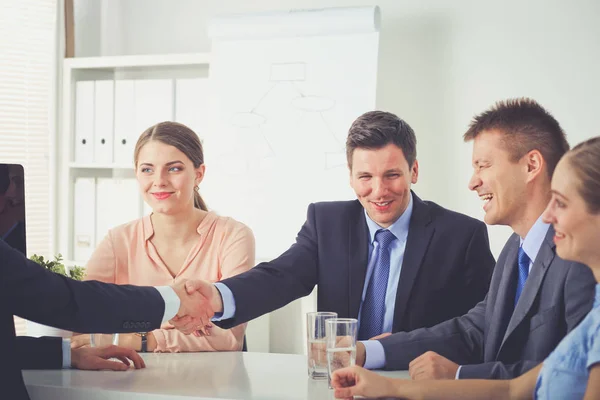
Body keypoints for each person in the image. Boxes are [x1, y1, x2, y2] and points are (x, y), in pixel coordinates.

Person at [176, 111, 496, 345]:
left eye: (392, 175)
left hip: (417, 385)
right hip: (342, 382)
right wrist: (217, 297)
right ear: (350, 176)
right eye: (365, 177)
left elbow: (483, 327)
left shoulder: (461, 236)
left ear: (414, 171)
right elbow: (279, 277)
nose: (379, 190)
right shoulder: (327, 223)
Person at [332, 136, 600, 400]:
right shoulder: (514, 250)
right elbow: (485, 344)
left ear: (531, 165)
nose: (472, 182)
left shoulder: (577, 262)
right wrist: (377, 363)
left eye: (483, 165)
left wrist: (459, 373)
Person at [71, 122, 254, 353]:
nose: (159, 181)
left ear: (198, 174)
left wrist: (139, 338)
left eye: (174, 168)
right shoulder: (118, 241)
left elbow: (229, 339)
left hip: (213, 383)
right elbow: (84, 324)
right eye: (147, 169)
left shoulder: (232, 236)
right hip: (132, 379)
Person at [0, 239, 212, 400]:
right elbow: (65, 299)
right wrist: (169, 301)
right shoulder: (117, 239)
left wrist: (68, 355)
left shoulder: (232, 235)